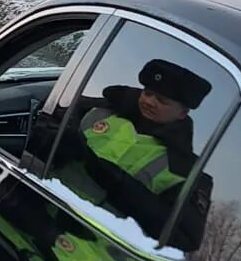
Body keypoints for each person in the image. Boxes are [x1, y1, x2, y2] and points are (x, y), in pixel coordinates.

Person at [51, 59, 212, 250]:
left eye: (162, 101)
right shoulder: (97, 111)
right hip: (43, 215)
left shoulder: (184, 171)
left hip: (97, 249)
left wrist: (110, 177)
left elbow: (183, 238)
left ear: (182, 113)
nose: (150, 102)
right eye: (148, 93)